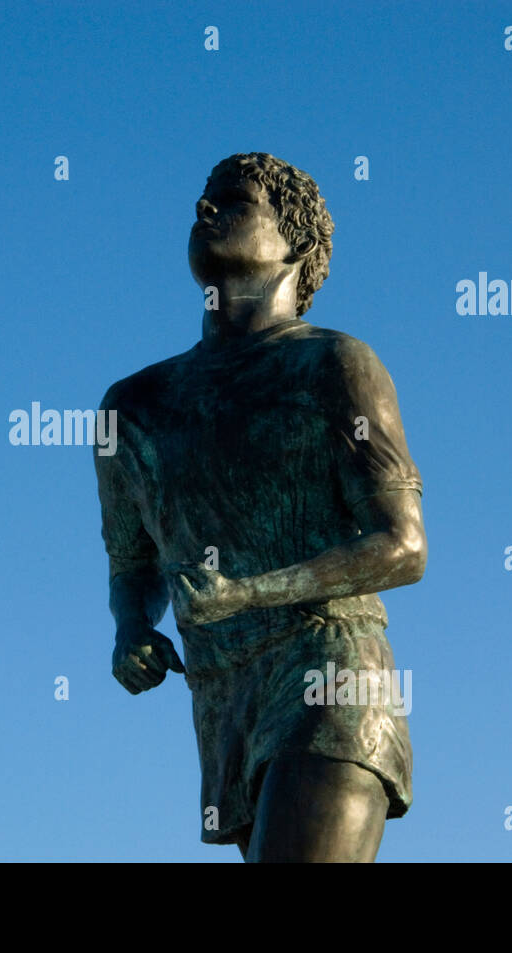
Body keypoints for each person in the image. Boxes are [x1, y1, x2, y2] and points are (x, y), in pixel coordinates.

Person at [94, 153, 427, 862]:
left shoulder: (336, 365)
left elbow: (403, 545)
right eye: (202, 201)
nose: (205, 211)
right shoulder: (132, 408)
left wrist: (247, 592)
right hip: (222, 691)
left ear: (295, 246)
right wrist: (131, 628)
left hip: (331, 664)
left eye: (235, 202)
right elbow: (134, 562)